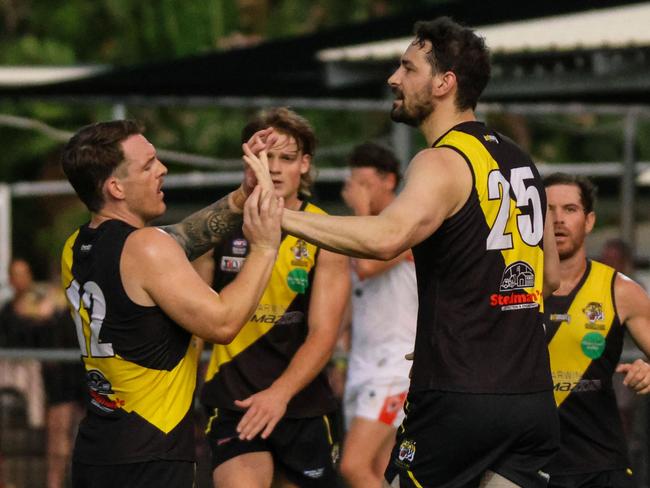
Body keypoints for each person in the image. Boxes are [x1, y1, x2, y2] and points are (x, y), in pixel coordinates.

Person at [245, 16, 562, 487]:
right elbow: (549, 277)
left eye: (407, 68)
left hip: (460, 397)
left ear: (444, 83)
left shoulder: (441, 160)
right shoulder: (519, 158)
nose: (394, 78)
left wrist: (279, 215)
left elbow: (386, 238)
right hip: (531, 398)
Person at [59, 119, 282, 488]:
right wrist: (264, 247)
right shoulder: (147, 248)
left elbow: (185, 237)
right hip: (151, 455)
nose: (162, 169)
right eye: (148, 165)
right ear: (116, 187)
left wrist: (243, 195)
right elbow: (223, 324)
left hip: (97, 451)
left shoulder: (75, 246)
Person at [195, 107, 350, 488]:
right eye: (266, 157)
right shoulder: (220, 227)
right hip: (235, 400)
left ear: (305, 165)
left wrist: (278, 395)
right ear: (250, 161)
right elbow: (194, 317)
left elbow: (324, 334)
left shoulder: (325, 232)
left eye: (287, 157)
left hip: (301, 401)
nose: (276, 168)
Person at [543, 173, 650, 488]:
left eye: (570, 209)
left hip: (598, 466)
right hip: (522, 465)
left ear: (589, 221)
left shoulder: (620, 290)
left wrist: (648, 370)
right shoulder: (513, 285)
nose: (558, 220)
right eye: (548, 210)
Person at [337, 142, 417, 488]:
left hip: (394, 365)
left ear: (389, 181)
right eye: (354, 185)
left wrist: (359, 211)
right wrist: (339, 360)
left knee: (352, 466)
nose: (358, 193)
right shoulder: (365, 229)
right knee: (383, 471)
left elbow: (369, 264)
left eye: (365, 185)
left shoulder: (405, 224)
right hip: (363, 364)